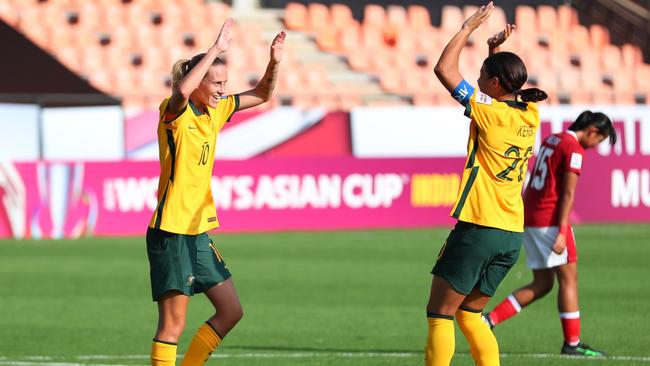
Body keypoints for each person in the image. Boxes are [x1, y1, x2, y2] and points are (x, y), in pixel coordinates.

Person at [146, 18, 286, 366]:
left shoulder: (216, 110)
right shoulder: (174, 112)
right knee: (173, 325)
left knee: (231, 311)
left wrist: (275, 62)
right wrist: (215, 50)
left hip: (197, 231)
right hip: (172, 230)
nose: (222, 90)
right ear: (196, 83)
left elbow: (263, 94)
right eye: (216, 83)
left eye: (225, 83)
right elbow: (180, 92)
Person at [424, 3, 548, 365]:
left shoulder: (489, 113)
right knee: (470, 315)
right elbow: (504, 90)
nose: (477, 79)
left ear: (494, 84)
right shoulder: (531, 113)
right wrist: (495, 52)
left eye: (482, 74)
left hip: (480, 227)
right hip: (511, 233)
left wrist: (467, 28)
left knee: (440, 314)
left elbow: (443, 69)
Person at [484, 111, 616, 357]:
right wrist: (563, 231)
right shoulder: (573, 148)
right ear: (592, 131)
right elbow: (567, 193)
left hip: (531, 217)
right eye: (599, 141)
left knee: (543, 283)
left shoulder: (552, 139)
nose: (596, 146)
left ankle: (488, 321)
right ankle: (572, 344)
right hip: (550, 221)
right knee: (569, 280)